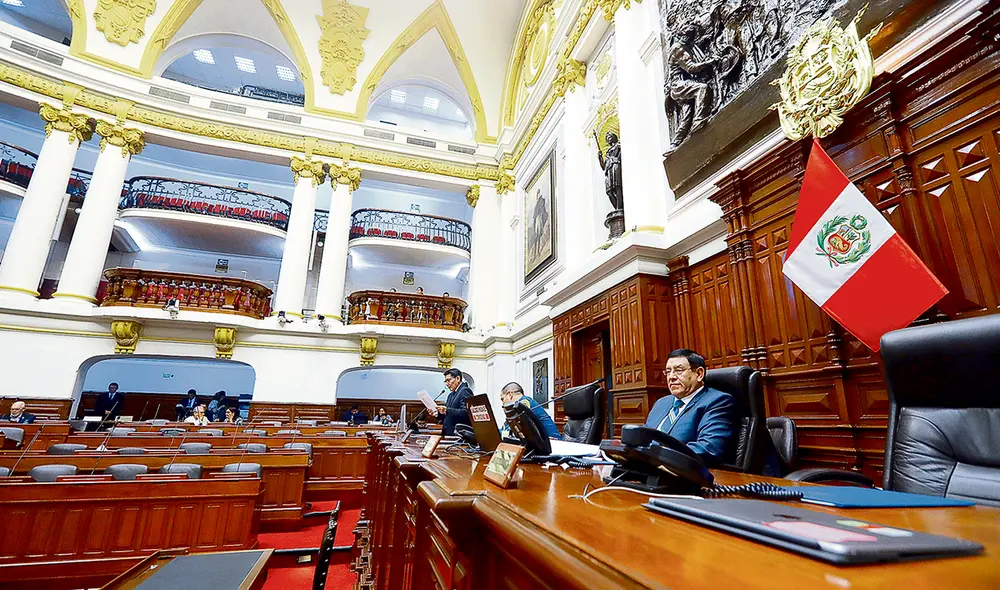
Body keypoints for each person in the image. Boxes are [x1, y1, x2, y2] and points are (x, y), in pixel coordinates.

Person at [643, 349, 736, 466]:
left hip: (681, 473)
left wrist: (655, 456)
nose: (671, 377)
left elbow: (707, 448)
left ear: (699, 374)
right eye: (668, 371)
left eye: (678, 370)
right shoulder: (661, 403)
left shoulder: (717, 401)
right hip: (646, 468)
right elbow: (643, 438)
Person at [435, 368, 472, 436]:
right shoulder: (451, 395)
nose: (447, 384)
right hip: (448, 433)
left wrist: (447, 410)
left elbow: (467, 412)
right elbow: (448, 415)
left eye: (448, 380)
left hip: (458, 435)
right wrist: (437, 414)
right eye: (445, 381)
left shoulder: (465, 391)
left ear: (458, 378)